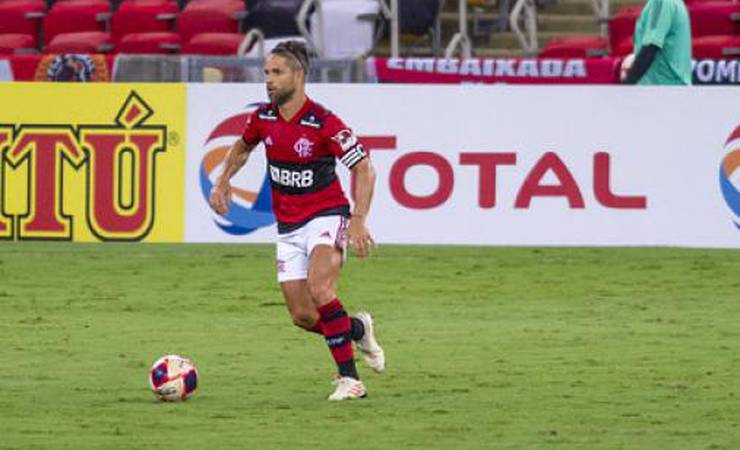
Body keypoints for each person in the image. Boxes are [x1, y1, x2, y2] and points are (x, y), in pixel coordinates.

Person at [209, 40, 385, 401]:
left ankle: (349, 380)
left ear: (299, 75)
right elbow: (243, 146)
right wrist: (224, 179)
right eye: (266, 73)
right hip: (288, 226)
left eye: (277, 72)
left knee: (321, 290)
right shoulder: (263, 117)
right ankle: (357, 328)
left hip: (327, 215)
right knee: (303, 315)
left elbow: (364, 167)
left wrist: (358, 218)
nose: (269, 81)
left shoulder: (323, 121)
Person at [622, 0, 692, 85]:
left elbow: (650, 48)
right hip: (670, 88)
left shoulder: (660, 2)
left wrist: (627, 85)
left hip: (662, 89)